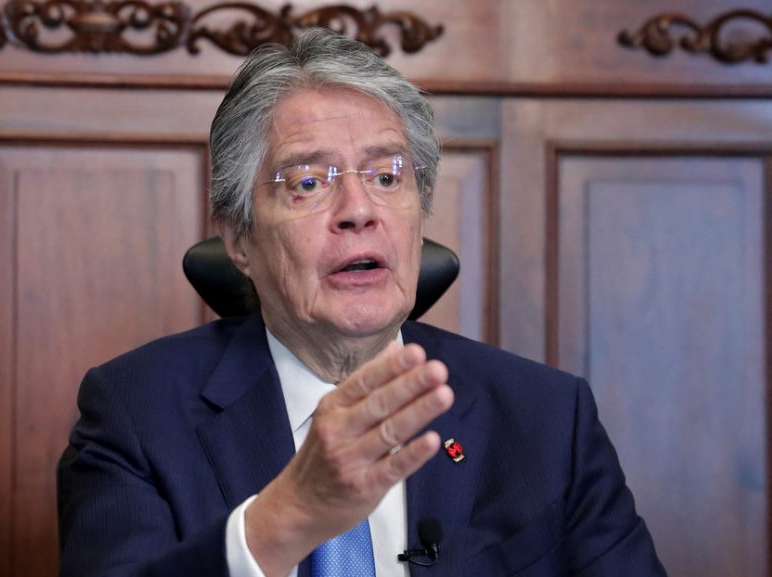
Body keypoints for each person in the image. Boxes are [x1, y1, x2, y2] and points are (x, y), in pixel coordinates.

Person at [59, 28, 666, 577]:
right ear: (239, 238)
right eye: (307, 183)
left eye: (386, 177)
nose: (359, 210)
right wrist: (284, 520)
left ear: (420, 214)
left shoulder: (547, 420)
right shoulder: (136, 414)